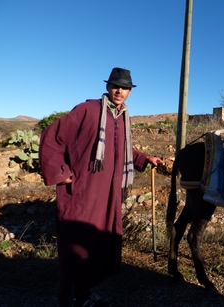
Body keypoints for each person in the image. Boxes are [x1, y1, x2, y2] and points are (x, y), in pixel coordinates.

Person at [39, 67, 163, 307]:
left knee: (94, 245)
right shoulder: (88, 110)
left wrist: (144, 158)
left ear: (129, 91)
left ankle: (84, 296)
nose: (120, 90)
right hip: (81, 192)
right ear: (108, 87)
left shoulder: (121, 117)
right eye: (116, 85)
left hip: (107, 194)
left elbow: (121, 149)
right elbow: (51, 137)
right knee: (74, 246)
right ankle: (67, 300)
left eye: (125, 87)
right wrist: (61, 173)